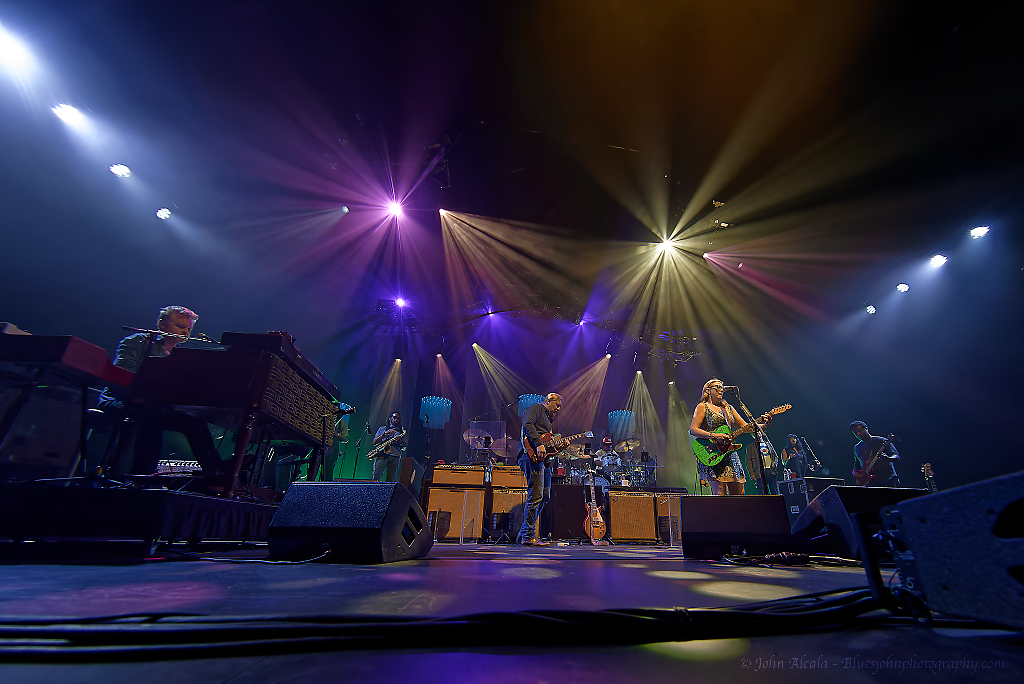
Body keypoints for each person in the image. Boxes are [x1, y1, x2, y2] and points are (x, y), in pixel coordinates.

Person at [99, 306, 223, 477]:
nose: (186, 333)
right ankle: (141, 475)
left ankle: (215, 472)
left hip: (156, 407)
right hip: (120, 401)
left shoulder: (183, 355)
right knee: (151, 415)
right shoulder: (138, 341)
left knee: (194, 421)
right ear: (162, 324)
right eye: (180, 327)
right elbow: (122, 377)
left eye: (189, 329)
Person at [689, 378, 772, 496]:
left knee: (739, 493)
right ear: (708, 390)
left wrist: (764, 425)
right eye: (717, 387)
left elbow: (745, 427)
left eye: (721, 387)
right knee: (720, 493)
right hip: (713, 452)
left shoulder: (728, 408)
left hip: (730, 452)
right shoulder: (702, 407)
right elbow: (693, 429)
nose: (720, 389)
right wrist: (714, 435)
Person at [517, 392, 562, 546]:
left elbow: (548, 446)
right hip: (531, 456)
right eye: (557, 404)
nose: (559, 408)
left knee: (545, 496)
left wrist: (559, 447)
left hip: (545, 462)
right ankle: (528, 536)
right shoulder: (536, 408)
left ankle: (524, 531)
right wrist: (538, 444)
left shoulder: (549, 420)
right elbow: (527, 425)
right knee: (535, 495)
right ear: (548, 401)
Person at [850, 421, 900, 487]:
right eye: (855, 433)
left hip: (887, 480)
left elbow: (896, 456)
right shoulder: (857, 447)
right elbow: (857, 464)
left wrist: (888, 458)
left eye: (860, 431)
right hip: (870, 483)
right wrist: (855, 473)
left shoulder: (881, 441)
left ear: (866, 428)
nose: (858, 434)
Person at [371, 412, 407, 482]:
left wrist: (399, 440)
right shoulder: (382, 429)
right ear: (390, 418)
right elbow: (374, 442)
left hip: (395, 455)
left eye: (398, 418)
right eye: (394, 417)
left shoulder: (402, 431)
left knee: (391, 480)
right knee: (376, 476)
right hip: (382, 454)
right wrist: (384, 434)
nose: (396, 420)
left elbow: (404, 446)